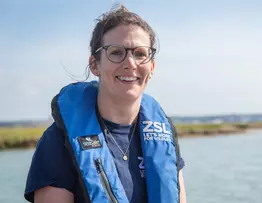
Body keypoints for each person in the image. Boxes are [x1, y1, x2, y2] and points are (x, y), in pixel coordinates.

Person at [24, 5, 187, 203]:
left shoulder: (164, 135)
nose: (130, 63)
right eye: (117, 52)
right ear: (95, 65)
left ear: (151, 67)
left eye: (140, 54)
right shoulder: (58, 141)